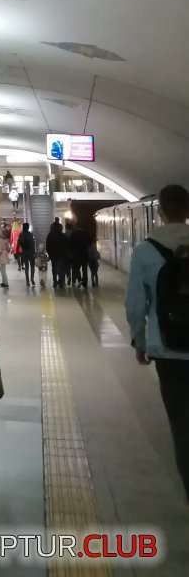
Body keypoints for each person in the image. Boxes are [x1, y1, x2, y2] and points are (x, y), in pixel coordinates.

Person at [125, 183, 189, 503]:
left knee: (182, 427)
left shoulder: (146, 250)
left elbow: (135, 305)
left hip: (168, 348)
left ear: (160, 211)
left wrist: (139, 341)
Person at [46, 219, 66, 289]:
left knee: (54, 268)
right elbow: (66, 245)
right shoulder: (62, 235)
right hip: (61, 254)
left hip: (53, 254)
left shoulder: (50, 235)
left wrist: (49, 254)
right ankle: (60, 282)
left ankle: (55, 281)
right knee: (61, 269)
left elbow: (48, 245)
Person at [71, 222, 91, 288]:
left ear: (76, 226)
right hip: (85, 254)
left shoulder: (74, 234)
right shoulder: (87, 234)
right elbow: (90, 244)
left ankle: (79, 280)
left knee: (76, 268)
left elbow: (71, 244)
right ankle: (85, 283)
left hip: (76, 254)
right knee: (84, 269)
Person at [18, 222, 36, 286]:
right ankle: (32, 279)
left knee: (26, 267)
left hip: (24, 252)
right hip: (31, 252)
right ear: (28, 228)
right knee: (32, 266)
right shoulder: (30, 234)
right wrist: (34, 252)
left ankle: (27, 281)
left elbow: (18, 244)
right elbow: (33, 244)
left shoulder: (21, 235)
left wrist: (17, 252)